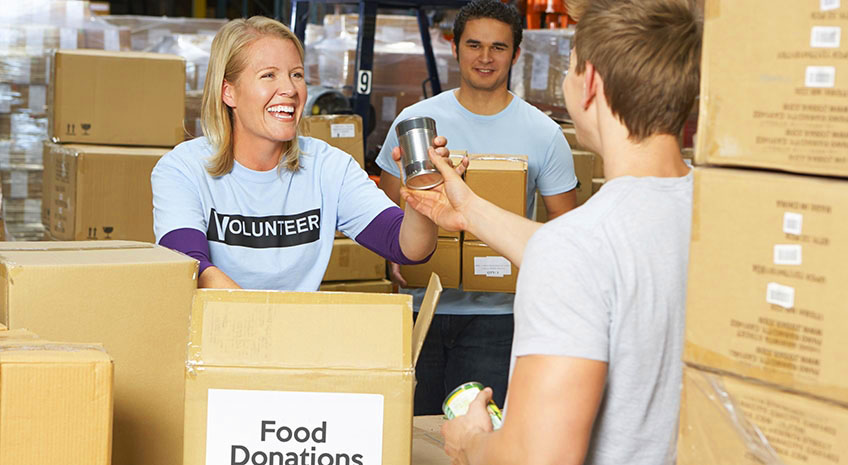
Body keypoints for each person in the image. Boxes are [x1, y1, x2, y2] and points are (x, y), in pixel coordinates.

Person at [400, 0, 702, 463]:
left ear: (591, 84)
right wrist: (468, 210)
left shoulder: (579, 246)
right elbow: (589, 256)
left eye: (571, 66)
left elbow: (538, 456)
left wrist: (470, 442)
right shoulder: (709, 211)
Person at [376, 0, 578, 414]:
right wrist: (391, 258)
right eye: (474, 45)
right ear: (455, 47)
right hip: (419, 308)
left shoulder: (543, 133)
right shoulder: (417, 123)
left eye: (499, 48)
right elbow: (387, 209)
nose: (485, 58)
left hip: (498, 317)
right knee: (408, 435)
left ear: (516, 54)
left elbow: (565, 223)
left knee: (480, 436)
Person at [151, 16, 449, 290]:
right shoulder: (183, 169)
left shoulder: (328, 167)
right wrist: (266, 326)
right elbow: (190, 266)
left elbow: (406, 247)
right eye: (269, 75)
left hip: (296, 338)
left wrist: (423, 199)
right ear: (228, 92)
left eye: (296, 74)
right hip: (215, 336)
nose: (290, 89)